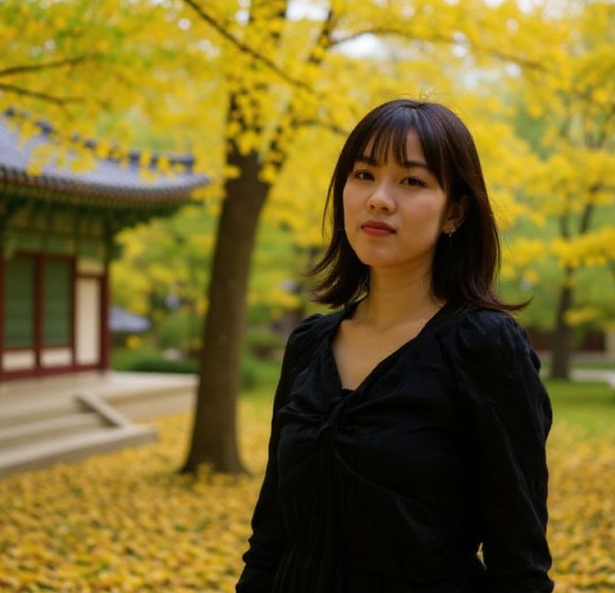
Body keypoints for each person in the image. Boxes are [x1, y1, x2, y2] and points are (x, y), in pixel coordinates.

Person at [236, 99, 554, 593]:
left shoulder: (485, 347)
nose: (379, 199)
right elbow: (272, 534)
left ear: (456, 212)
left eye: (412, 181)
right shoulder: (309, 344)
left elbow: (520, 562)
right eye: (363, 174)